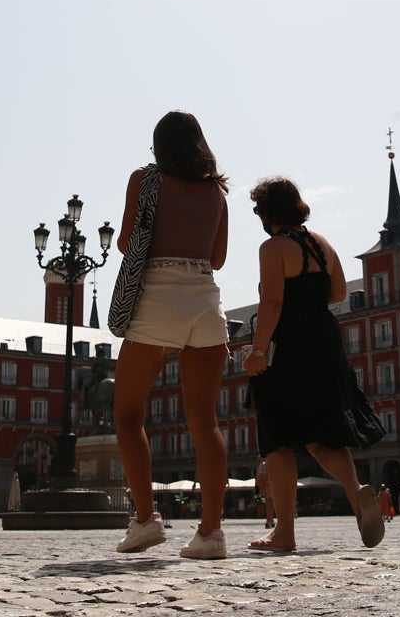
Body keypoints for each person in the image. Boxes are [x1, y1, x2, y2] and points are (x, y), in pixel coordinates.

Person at [242, 176, 386, 553]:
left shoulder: (272, 248)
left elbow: (272, 301)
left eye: (259, 209)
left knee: (278, 438)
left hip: (287, 341)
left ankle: (284, 532)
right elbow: (337, 293)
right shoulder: (323, 244)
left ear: (268, 212)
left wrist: (258, 351)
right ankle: (356, 493)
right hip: (324, 338)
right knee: (321, 431)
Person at [113, 110, 232, 558]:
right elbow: (217, 257)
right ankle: (211, 534)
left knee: (127, 414)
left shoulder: (145, 180)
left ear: (158, 146)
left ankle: (145, 521)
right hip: (205, 301)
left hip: (157, 300)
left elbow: (127, 242)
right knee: (205, 422)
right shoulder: (218, 192)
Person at [255, 455, 276, 529]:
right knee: (272, 504)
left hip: (265, 485)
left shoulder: (261, 462)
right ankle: (271, 520)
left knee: (268, 504)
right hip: (271, 484)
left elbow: (258, 475)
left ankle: (268, 521)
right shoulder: (270, 460)